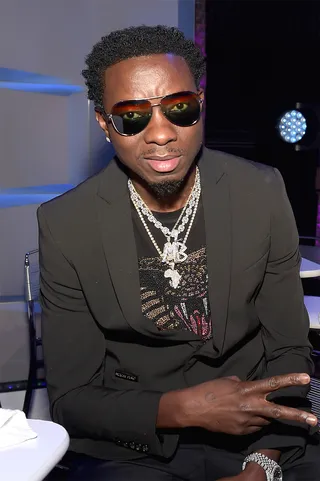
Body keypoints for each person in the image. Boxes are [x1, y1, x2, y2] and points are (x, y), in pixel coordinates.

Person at [38, 25, 320, 481]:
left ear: (201, 104)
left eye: (180, 108)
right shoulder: (67, 224)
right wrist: (184, 409)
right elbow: (73, 396)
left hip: (258, 431)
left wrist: (264, 461)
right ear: (104, 123)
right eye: (132, 116)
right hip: (136, 447)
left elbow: (289, 348)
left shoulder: (260, 191)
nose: (162, 134)